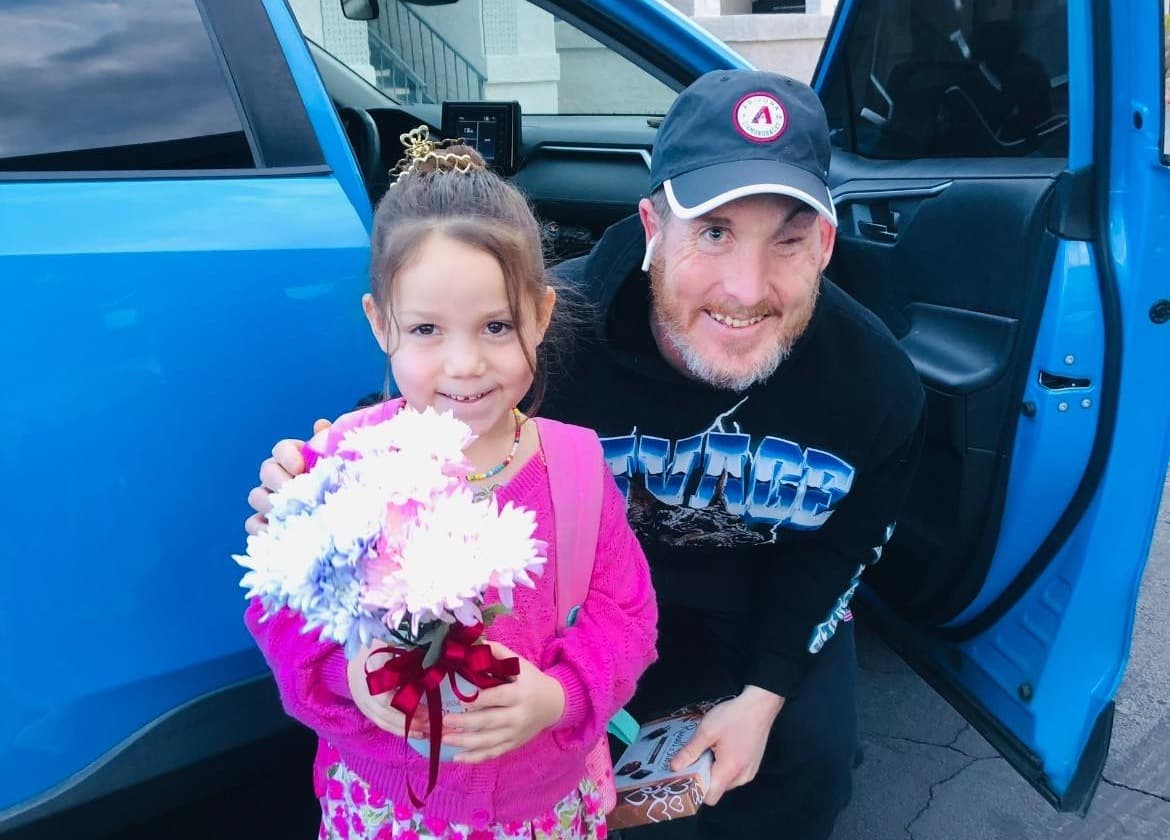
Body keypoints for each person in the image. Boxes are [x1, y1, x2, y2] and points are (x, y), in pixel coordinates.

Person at [249, 71, 926, 839]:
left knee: (812, 761)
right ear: (652, 227)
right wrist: (322, 482)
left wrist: (764, 697)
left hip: (755, 599)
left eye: (789, 240)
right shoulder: (551, 339)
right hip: (575, 605)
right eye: (713, 232)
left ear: (827, 245)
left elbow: (840, 553)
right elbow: (438, 412)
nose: (745, 287)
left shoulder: (876, 386)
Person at [244, 132, 658, 840]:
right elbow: (283, 614)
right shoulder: (342, 464)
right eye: (427, 329)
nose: (465, 364)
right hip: (391, 808)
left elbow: (628, 617)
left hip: (542, 806)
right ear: (381, 324)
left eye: (497, 325)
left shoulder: (577, 470)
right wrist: (353, 678)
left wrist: (557, 697)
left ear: (542, 314)